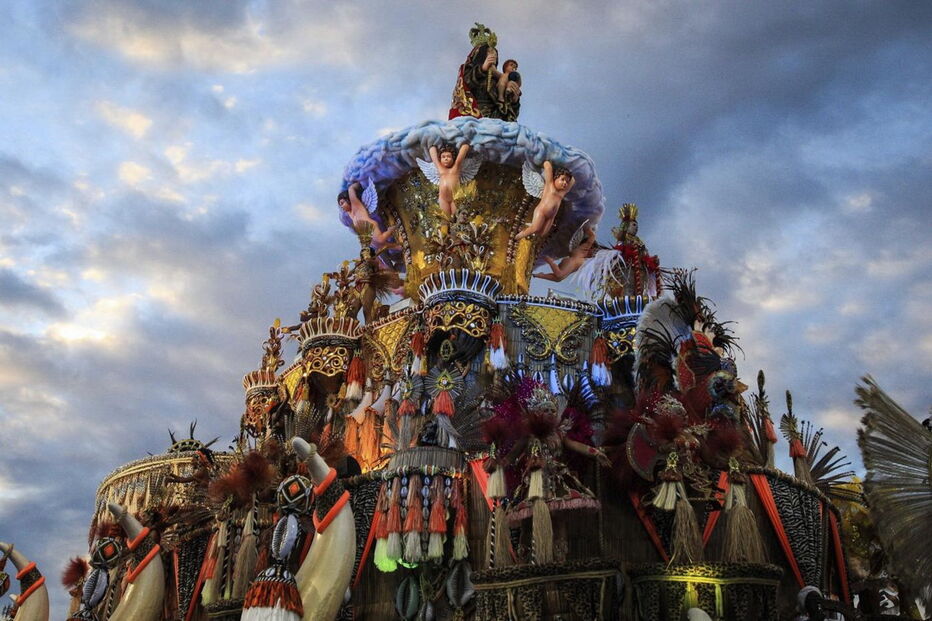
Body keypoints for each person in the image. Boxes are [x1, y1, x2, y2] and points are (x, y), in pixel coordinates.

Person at [516, 161, 576, 240]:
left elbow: (572, 181)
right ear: (555, 177)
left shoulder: (562, 193)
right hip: (542, 212)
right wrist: (548, 160)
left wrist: (571, 167)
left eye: (567, 182)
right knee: (535, 228)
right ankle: (517, 236)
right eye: (562, 179)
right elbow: (548, 167)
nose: (565, 183)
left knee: (542, 233)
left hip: (551, 217)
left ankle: (532, 225)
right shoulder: (549, 185)